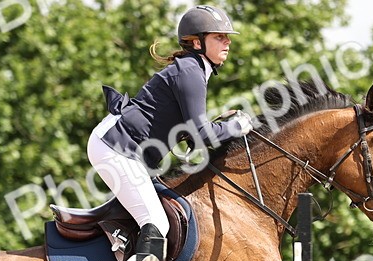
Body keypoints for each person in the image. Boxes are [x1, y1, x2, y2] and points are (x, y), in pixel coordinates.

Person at [87, 5, 256, 242]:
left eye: (227, 37)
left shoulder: (194, 68)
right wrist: (236, 126)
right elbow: (201, 135)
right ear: (197, 43)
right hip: (116, 146)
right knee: (156, 222)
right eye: (219, 37)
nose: (227, 42)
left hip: (125, 149)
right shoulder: (190, 71)